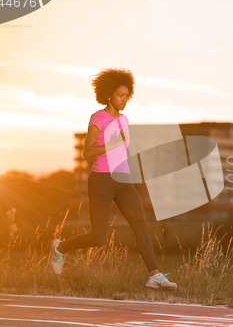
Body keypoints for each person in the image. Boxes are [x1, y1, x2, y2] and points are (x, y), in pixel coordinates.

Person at [49, 68, 177, 292]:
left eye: (127, 95)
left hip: (124, 181)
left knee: (141, 225)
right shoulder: (97, 118)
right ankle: (59, 248)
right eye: (120, 95)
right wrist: (113, 144)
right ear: (108, 94)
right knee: (98, 237)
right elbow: (87, 153)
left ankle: (154, 276)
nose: (124, 99)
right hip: (101, 181)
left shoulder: (125, 120)